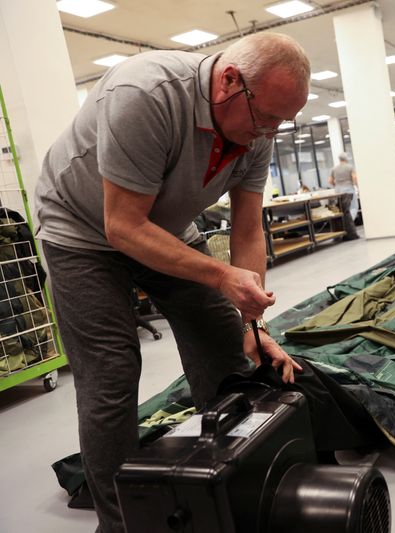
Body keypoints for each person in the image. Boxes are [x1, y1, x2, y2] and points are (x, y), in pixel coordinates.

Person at [34, 32, 308, 533]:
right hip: (82, 231)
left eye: (281, 124)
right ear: (228, 82)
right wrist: (221, 274)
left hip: (161, 227)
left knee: (226, 346)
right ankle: (122, 524)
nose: (270, 132)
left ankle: (226, 485)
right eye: (267, 118)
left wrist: (252, 321)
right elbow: (121, 227)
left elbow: (247, 228)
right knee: (111, 375)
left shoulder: (255, 132)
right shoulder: (146, 94)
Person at [328, 152, 360, 240]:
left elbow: (330, 180)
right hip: (348, 190)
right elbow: (354, 177)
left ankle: (344, 229)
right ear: (346, 158)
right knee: (352, 208)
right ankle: (350, 228)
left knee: (342, 211)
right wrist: (355, 186)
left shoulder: (334, 169)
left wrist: (337, 186)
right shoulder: (350, 167)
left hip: (338, 191)